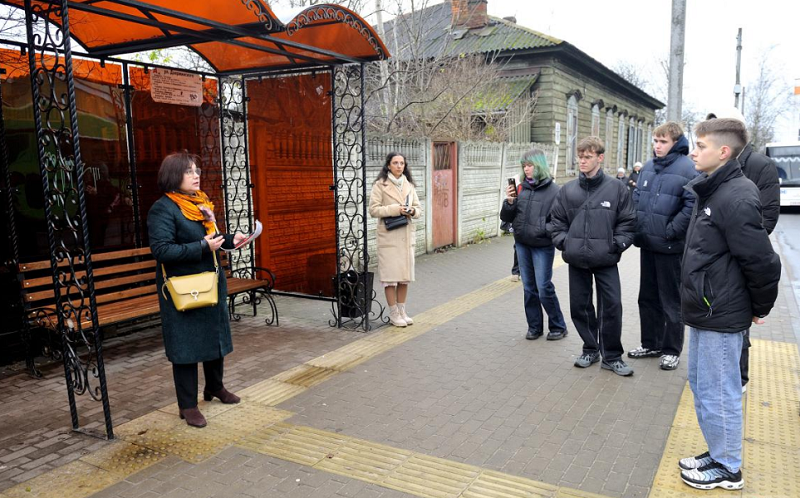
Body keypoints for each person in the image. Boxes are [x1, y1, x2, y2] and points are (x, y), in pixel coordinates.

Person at [678, 118, 780, 490]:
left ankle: (728, 467)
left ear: (723, 152)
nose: (693, 152)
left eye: (700, 146)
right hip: (707, 308)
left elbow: (762, 261)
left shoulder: (736, 195)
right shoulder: (713, 189)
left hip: (720, 311)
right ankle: (719, 451)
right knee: (703, 386)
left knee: (719, 393)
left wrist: (759, 307)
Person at [148, 152, 247, 428]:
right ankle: (187, 405)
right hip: (184, 289)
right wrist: (203, 246)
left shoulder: (199, 203)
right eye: (189, 171)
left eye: (197, 170)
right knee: (186, 345)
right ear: (174, 176)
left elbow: (212, 238)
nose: (196, 176)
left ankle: (215, 387)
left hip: (210, 284)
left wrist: (232, 239)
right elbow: (162, 250)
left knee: (214, 337)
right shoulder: (163, 209)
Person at [705, 107, 780, 392]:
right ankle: (713, 372)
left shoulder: (760, 165)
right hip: (711, 259)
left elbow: (767, 217)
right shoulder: (712, 162)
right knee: (711, 315)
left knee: (737, 321)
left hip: (739, 258)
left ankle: (739, 378)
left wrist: (736, 244)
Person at [548, 137, 636, 376]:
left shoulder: (617, 188)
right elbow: (556, 222)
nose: (583, 161)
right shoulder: (568, 190)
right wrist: (565, 243)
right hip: (577, 259)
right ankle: (590, 349)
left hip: (606, 259)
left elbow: (628, 221)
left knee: (612, 306)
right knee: (580, 306)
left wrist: (616, 244)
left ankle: (612, 356)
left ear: (600, 158)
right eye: (580, 157)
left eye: (588, 157)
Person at [628, 122, 699, 370]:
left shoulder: (688, 168)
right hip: (647, 244)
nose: (657, 146)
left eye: (663, 142)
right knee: (647, 298)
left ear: (676, 143)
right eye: (655, 141)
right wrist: (637, 227)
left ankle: (671, 350)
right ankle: (651, 343)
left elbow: (691, 206)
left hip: (670, 247)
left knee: (671, 300)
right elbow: (637, 198)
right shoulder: (648, 167)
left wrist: (671, 231)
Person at [500, 148, 567, 341]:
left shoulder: (555, 191)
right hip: (522, 244)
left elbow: (560, 221)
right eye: (524, 166)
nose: (526, 169)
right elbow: (507, 217)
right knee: (529, 288)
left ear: (539, 166)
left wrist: (542, 230)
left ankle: (558, 326)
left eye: (530, 165)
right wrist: (510, 202)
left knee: (544, 287)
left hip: (542, 246)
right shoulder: (520, 188)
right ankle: (534, 327)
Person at [369, 152, 422, 327]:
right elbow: (374, 210)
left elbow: (418, 209)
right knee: (390, 278)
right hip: (389, 236)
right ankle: (393, 314)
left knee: (404, 277)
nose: (399, 166)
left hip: (405, 235)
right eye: (395, 163)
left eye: (402, 163)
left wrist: (411, 211)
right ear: (388, 165)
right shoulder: (380, 185)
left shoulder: (409, 185)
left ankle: (402, 311)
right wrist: (395, 209)